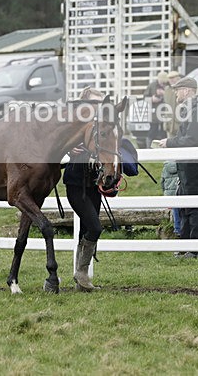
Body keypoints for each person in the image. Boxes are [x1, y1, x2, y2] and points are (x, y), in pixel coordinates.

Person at [63, 87, 138, 291]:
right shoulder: (76, 129)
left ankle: (81, 279)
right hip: (76, 185)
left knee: (88, 229)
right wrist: (70, 148)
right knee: (95, 227)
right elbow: (58, 141)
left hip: (93, 187)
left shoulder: (103, 128)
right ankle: (81, 273)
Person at [160, 76, 198, 258]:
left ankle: (196, 250)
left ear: (187, 91)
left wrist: (170, 142)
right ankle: (186, 245)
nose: (176, 93)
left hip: (195, 167)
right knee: (184, 204)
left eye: (178, 89)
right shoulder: (193, 110)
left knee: (192, 207)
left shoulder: (196, 112)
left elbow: (193, 139)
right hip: (189, 166)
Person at [144, 71, 169, 147]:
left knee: (164, 130)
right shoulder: (152, 86)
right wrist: (152, 99)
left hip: (165, 111)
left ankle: (164, 146)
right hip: (154, 112)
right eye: (161, 82)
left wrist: (164, 93)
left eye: (164, 83)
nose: (162, 84)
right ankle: (148, 147)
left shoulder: (168, 86)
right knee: (152, 130)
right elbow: (145, 97)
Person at [160, 160, 181, 237]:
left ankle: (177, 228)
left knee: (174, 210)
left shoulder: (165, 167)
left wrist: (165, 192)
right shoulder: (180, 166)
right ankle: (180, 228)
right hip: (178, 191)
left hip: (169, 193)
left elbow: (162, 181)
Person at [163, 71, 182, 138]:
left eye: (173, 78)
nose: (171, 80)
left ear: (178, 78)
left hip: (180, 124)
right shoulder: (167, 90)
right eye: (170, 79)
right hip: (169, 124)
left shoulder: (182, 89)